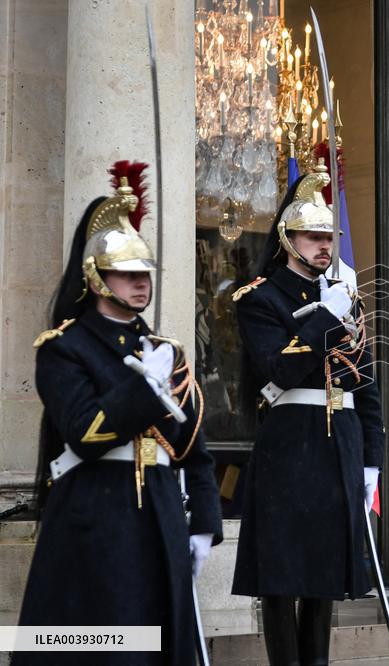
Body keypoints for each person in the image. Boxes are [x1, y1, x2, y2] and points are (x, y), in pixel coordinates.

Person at [16, 161, 222, 665]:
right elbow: (85, 433)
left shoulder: (165, 351)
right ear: (96, 277)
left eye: (144, 274)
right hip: (97, 517)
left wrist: (204, 522)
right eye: (127, 274)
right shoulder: (64, 349)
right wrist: (145, 389)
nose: (140, 284)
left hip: (160, 515)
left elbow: (194, 450)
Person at [231, 162, 385, 665]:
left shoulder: (343, 298)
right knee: (282, 573)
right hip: (291, 442)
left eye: (329, 237)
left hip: (341, 441)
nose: (325, 246)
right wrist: (324, 318)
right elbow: (279, 368)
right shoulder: (260, 298)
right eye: (314, 237)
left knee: (325, 572)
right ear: (288, 238)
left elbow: (365, 383)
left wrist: (372, 457)